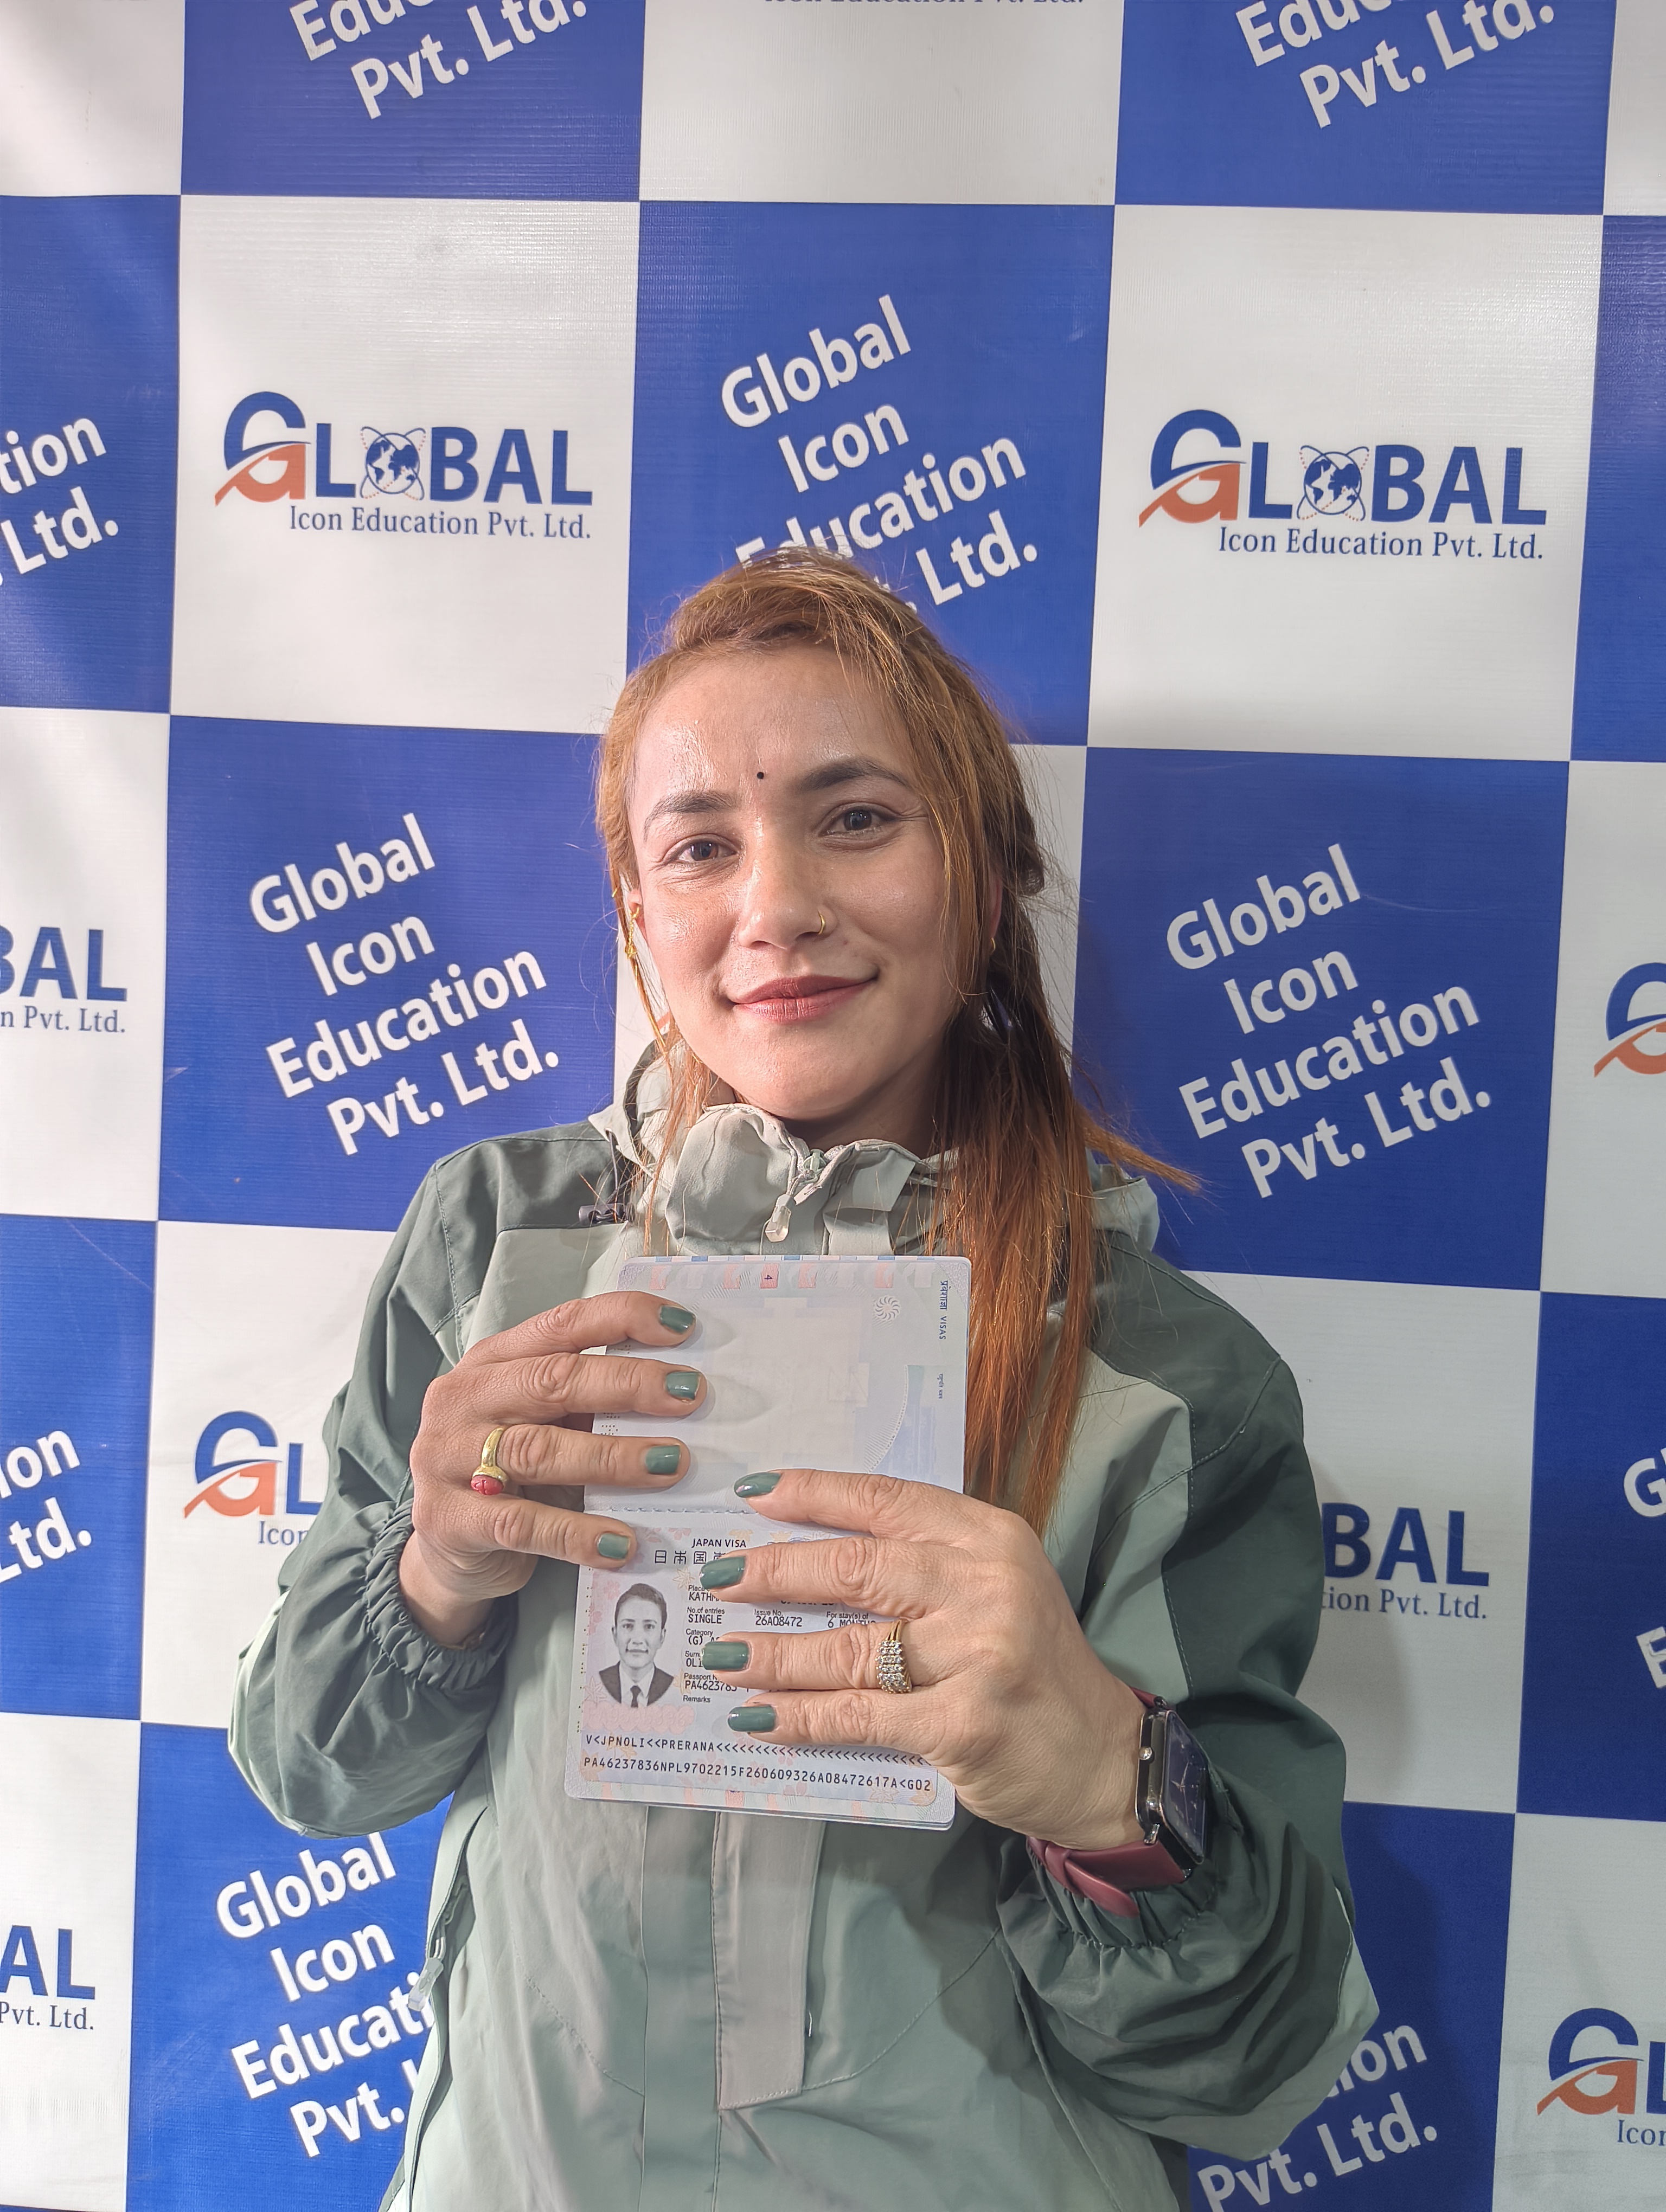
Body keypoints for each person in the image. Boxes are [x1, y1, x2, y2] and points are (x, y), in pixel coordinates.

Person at [232, 550, 1376, 2212]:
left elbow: (1250, 2069)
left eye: (855, 818)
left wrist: (1110, 1786)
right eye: (699, 845)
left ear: (984, 874)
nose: (773, 907)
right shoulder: (489, 1242)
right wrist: (437, 1576)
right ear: (640, 910)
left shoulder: (1168, 1379)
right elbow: (309, 1767)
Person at [600, 1581, 676, 1707]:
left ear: (662, 1637)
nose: (637, 1640)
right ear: (615, 1634)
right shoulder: (599, 1681)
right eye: (628, 1626)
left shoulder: (673, 1687)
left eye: (649, 1627)